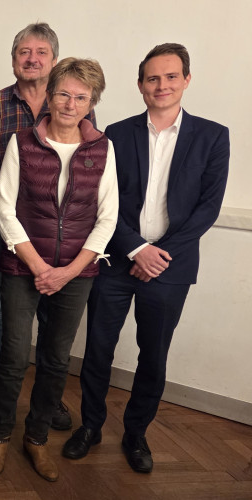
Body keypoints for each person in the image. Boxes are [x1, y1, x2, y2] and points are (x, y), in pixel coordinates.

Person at [63, 43, 230, 474]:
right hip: (118, 260)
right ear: (140, 85)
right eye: (153, 78)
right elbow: (104, 204)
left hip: (170, 269)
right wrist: (136, 248)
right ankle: (91, 426)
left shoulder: (213, 136)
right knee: (97, 350)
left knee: (152, 355)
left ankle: (136, 434)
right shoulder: (116, 134)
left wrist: (160, 255)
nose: (162, 85)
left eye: (171, 76)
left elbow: (207, 209)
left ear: (186, 80)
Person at [0, 58, 118, 482]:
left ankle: (36, 438)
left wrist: (68, 271)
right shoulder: (23, 143)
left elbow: (107, 217)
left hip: (77, 272)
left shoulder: (102, 148)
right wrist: (40, 266)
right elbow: (4, 209)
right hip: (24, 267)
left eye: (81, 97)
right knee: (13, 356)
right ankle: (0, 435)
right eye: (64, 94)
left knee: (57, 360)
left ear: (91, 102)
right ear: (51, 94)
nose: (70, 104)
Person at [0, 22, 93, 431]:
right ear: (14, 60)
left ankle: (46, 402)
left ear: (53, 59)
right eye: (23, 52)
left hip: (64, 235)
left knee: (54, 320)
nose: (32, 59)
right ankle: (0, 391)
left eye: (41, 52)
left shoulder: (73, 104)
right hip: (7, 229)